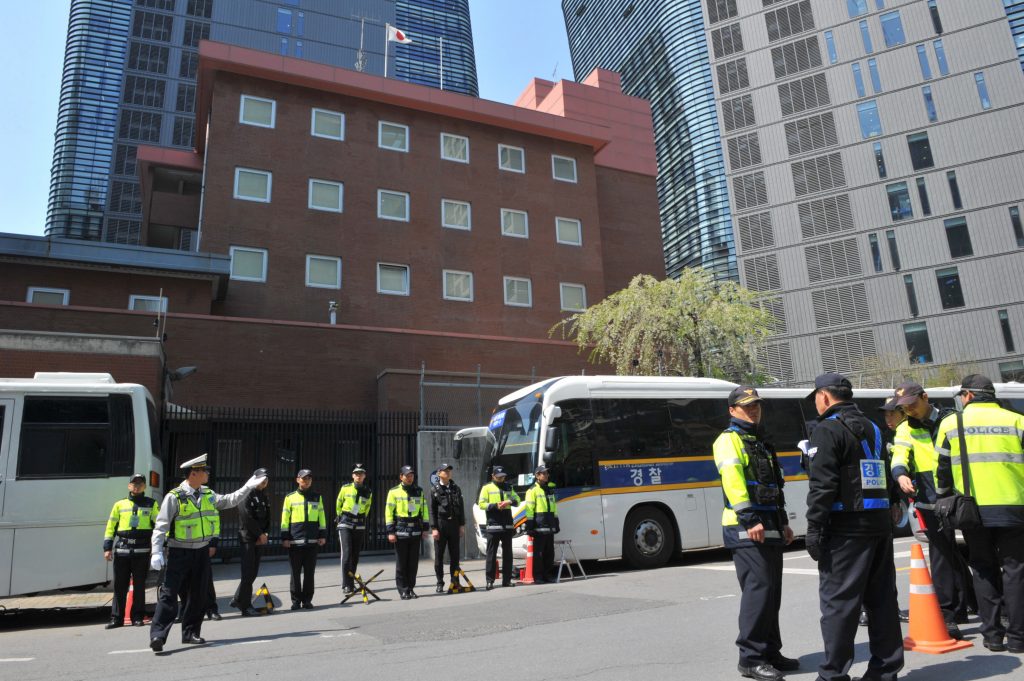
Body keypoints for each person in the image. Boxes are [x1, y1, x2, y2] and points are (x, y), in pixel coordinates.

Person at [804, 373, 904, 681]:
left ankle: (833, 674)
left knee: (840, 605)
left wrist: (814, 528)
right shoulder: (873, 428)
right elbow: (883, 471)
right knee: (883, 601)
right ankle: (885, 671)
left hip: (845, 528)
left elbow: (823, 485)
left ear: (824, 397)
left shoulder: (826, 430)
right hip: (878, 524)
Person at [712, 386, 797, 681]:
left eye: (756, 406)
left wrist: (783, 521)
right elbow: (733, 482)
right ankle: (750, 658)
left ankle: (770, 652)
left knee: (772, 592)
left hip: (770, 522)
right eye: (747, 406)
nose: (753, 411)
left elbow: (775, 485)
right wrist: (749, 519)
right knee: (758, 591)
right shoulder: (728, 440)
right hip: (746, 526)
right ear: (732, 410)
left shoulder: (760, 441)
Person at [935, 374, 1024, 653]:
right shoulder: (1017, 420)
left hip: (972, 510)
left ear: (968, 395)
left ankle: (993, 636)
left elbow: (943, 472)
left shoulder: (951, 423)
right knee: (1016, 570)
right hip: (1014, 507)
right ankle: (1019, 638)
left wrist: (943, 497)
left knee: (983, 568)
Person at [148, 454, 265, 652]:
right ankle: (158, 635)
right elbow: (161, 525)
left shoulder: (208, 494)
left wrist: (247, 486)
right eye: (204, 471)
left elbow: (229, 500)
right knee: (169, 595)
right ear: (193, 474)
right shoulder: (174, 496)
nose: (207, 473)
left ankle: (191, 633)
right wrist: (156, 551)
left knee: (198, 596)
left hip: (200, 552)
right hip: (179, 552)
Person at [890, 382, 973, 639]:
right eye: (904, 408)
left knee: (977, 554)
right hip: (929, 501)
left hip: (962, 497)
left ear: (926, 398)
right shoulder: (905, 428)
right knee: (942, 556)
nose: (910, 411)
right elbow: (900, 455)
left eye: (913, 405)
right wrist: (900, 474)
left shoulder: (951, 420)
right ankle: (948, 615)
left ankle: (987, 606)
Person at [103, 473, 159, 628]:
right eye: (134, 483)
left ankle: (138, 617)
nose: (137, 486)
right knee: (120, 586)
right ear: (129, 486)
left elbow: (159, 527)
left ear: (144, 487)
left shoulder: (151, 504)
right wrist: (107, 548)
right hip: (122, 550)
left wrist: (161, 547)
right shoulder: (119, 505)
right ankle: (116, 618)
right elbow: (110, 527)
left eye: (140, 483)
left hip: (141, 551)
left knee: (140, 586)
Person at [281, 468, 327, 610]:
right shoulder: (290, 498)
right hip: (295, 541)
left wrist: (322, 535)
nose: (306, 481)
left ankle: (307, 600)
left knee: (309, 573)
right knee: (295, 573)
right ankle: (295, 601)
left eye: (309, 479)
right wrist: (285, 538)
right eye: (303, 478)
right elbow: (285, 519)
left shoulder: (317, 497)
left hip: (312, 542)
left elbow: (322, 517)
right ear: (297, 479)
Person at [385, 465, 429, 599]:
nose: (410, 478)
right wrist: (390, 531)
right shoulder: (394, 492)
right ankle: (403, 589)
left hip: (415, 529)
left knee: (413, 563)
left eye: (411, 475)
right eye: (407, 475)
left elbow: (424, 510)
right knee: (402, 563)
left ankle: (410, 588)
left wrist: (425, 528)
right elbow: (388, 512)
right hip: (401, 530)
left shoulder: (418, 491)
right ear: (401, 477)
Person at [232, 467, 271, 616]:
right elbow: (247, 517)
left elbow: (268, 517)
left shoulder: (264, 495)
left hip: (260, 538)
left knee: (253, 572)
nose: (264, 481)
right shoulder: (246, 494)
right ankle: (245, 606)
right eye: (261, 478)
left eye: (266, 479)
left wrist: (265, 533)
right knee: (247, 573)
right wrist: (260, 534)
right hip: (248, 538)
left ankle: (237, 598)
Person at [478, 465, 521, 590]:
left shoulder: (509, 487)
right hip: (493, 525)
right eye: (499, 477)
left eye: (503, 477)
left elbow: (517, 500)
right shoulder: (486, 488)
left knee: (508, 554)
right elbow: (481, 504)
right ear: (493, 476)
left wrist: (509, 502)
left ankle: (506, 580)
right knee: (491, 554)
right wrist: (496, 505)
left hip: (507, 525)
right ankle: (489, 581)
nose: (501, 479)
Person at [336, 463, 373, 596]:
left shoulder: (368, 491)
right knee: (346, 554)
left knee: (355, 555)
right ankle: (346, 583)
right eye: (356, 474)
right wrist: (340, 517)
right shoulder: (345, 488)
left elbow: (367, 507)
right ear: (353, 475)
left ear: (364, 476)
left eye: (361, 474)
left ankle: (351, 581)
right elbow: (338, 503)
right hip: (345, 522)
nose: (359, 476)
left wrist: (361, 518)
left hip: (359, 524)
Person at [430, 462, 465, 593]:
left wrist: (462, 525)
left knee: (455, 556)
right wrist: (434, 528)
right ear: (439, 473)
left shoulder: (456, 488)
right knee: (439, 557)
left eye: (449, 470)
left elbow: (461, 507)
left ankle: (455, 581)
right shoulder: (434, 489)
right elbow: (432, 510)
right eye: (445, 470)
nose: (448, 472)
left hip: (454, 524)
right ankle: (440, 582)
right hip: (441, 524)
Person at [524, 464, 559, 584]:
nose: (547, 475)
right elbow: (529, 509)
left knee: (550, 553)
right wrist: (530, 525)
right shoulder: (532, 490)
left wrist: (556, 521)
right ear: (537, 476)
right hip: (539, 526)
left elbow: (554, 506)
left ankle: (547, 575)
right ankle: (538, 576)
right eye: (544, 473)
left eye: (547, 473)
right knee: (538, 554)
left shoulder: (549, 489)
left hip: (549, 525)